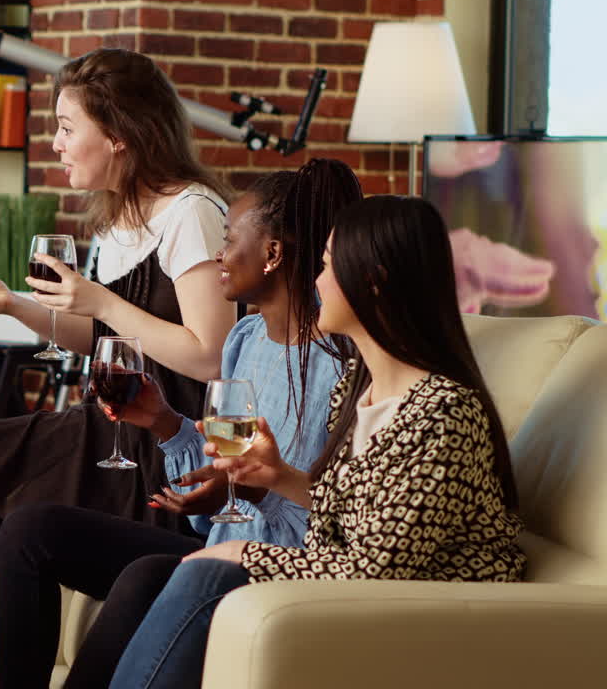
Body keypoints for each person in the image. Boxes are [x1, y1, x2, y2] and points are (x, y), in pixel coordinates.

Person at [108, 195, 528, 689]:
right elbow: (351, 516)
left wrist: (242, 554)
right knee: (161, 575)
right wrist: (278, 477)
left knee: (205, 576)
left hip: (424, 621)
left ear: (372, 280)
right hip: (357, 603)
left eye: (327, 266)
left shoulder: (443, 413)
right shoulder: (361, 389)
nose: (315, 281)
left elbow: (373, 571)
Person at [0, 158, 361, 689]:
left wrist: (252, 493)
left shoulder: (338, 367)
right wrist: (165, 423)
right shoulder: (245, 342)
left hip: (279, 567)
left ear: (273, 253)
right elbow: (225, 472)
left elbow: (332, 515)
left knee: (145, 574)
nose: (219, 254)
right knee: (30, 529)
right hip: (220, 548)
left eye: (231, 239)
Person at [0, 48, 235, 569]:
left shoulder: (193, 212)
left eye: (68, 128)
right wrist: (12, 304)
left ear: (119, 135)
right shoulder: (118, 218)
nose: (56, 144)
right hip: (120, 420)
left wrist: (100, 300)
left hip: (174, 430)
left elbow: (211, 357)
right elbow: (98, 333)